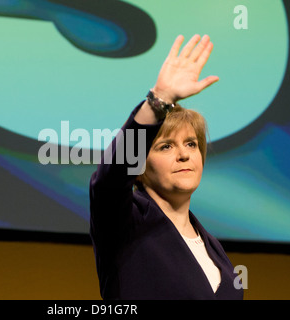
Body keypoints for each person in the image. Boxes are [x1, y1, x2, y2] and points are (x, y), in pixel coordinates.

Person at [89, 34, 244, 300]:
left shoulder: (213, 249)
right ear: (140, 164)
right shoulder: (126, 222)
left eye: (192, 144)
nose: (184, 154)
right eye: (166, 146)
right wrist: (159, 99)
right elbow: (109, 180)